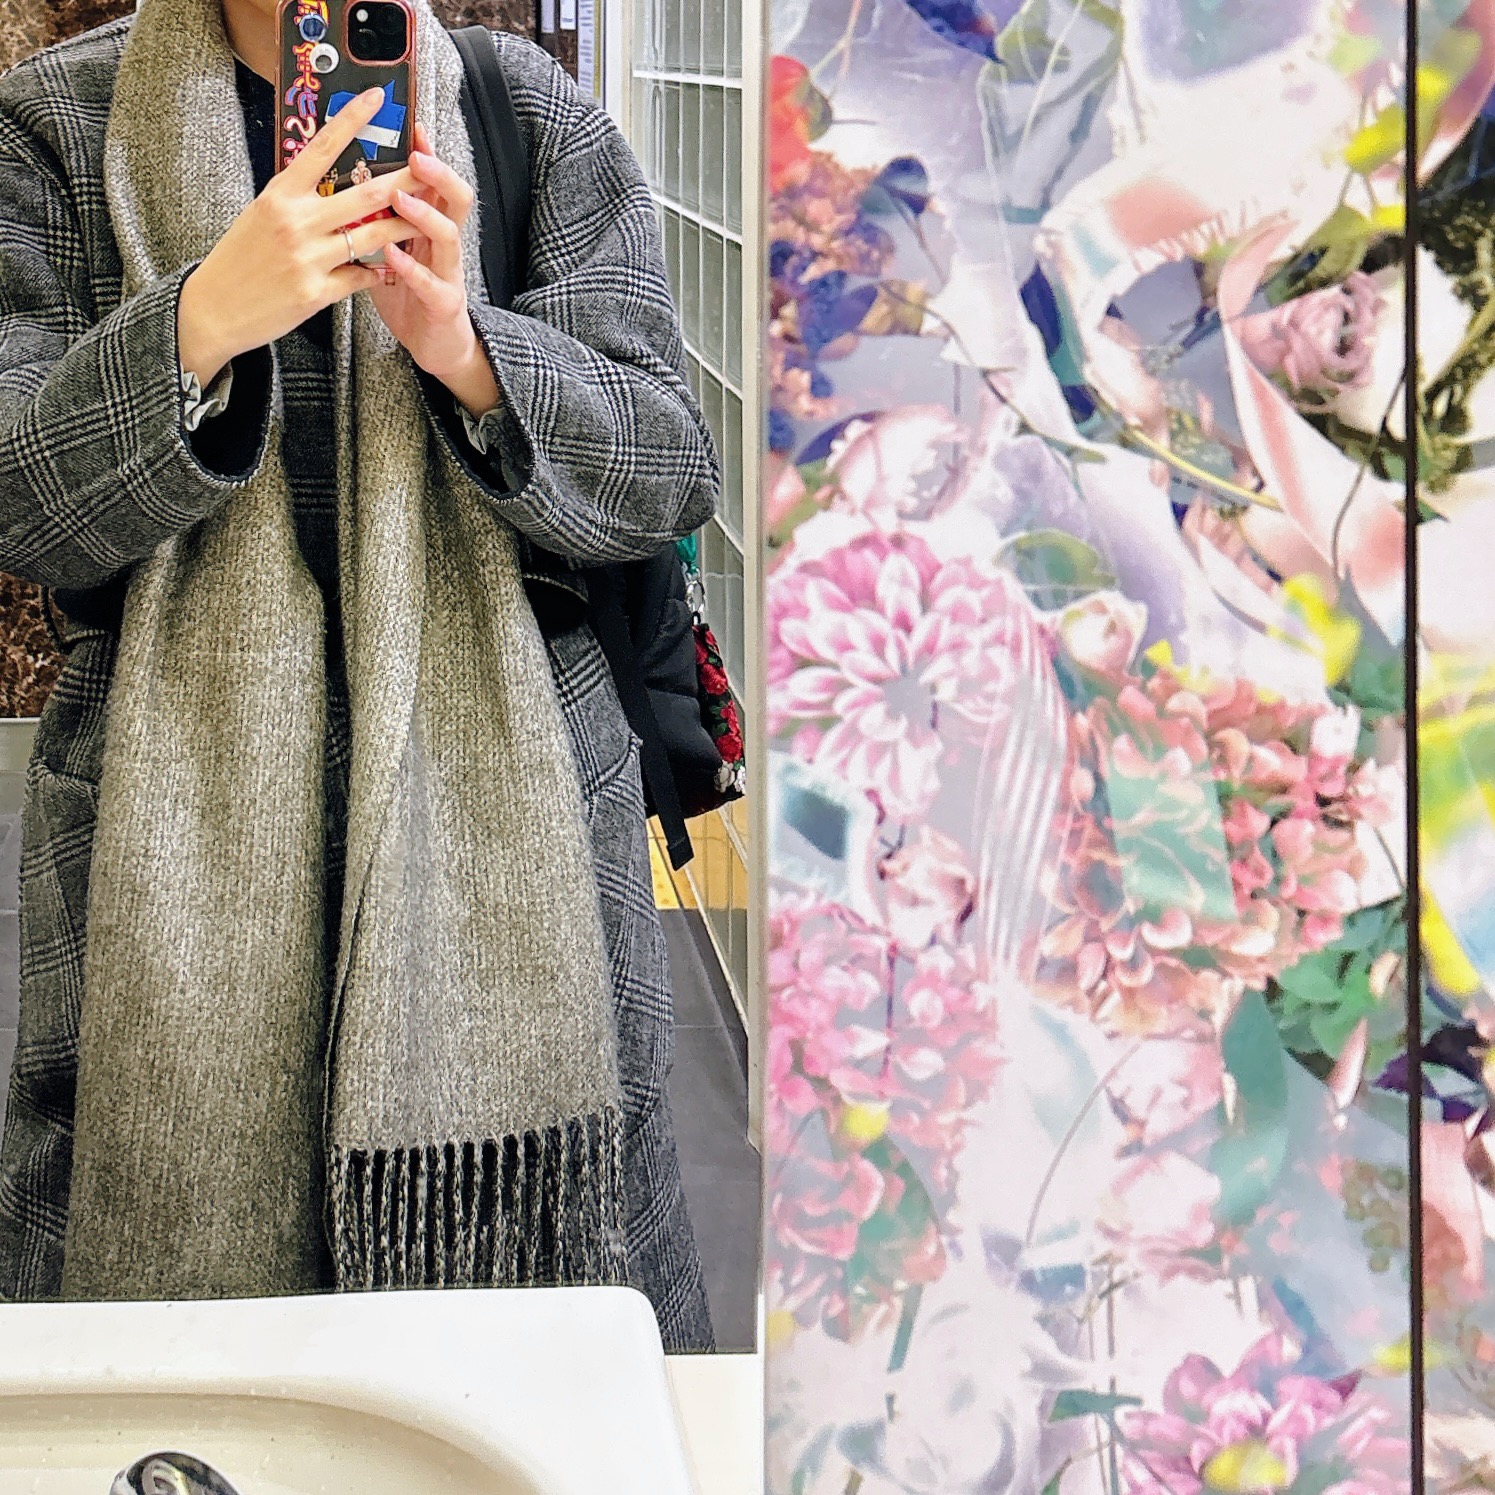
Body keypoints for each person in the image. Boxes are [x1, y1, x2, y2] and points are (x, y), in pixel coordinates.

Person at [0, 0, 720, 1352]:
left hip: (512, 829)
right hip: (161, 854)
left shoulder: (524, 113)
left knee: (531, 1383)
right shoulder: (58, 127)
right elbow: (21, 508)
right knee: (174, 1389)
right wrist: (199, 325)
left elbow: (667, 474)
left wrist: (470, 353)